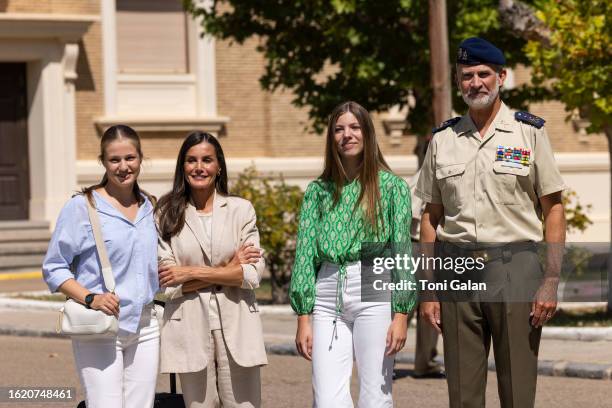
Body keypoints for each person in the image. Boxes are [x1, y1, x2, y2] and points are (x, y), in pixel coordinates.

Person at [417, 37, 566, 408]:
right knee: (462, 395)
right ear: (458, 80)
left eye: (484, 74)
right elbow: (430, 218)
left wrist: (550, 280)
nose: (476, 83)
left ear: (501, 76)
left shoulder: (527, 131)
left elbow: (554, 208)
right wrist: (428, 288)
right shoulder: (443, 139)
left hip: (515, 266)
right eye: (467, 76)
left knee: (517, 390)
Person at [290, 101, 417, 407]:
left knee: (375, 394)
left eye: (355, 127)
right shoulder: (318, 191)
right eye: (339, 129)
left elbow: (401, 251)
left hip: (374, 282)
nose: (347, 135)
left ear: (368, 133)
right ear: (331, 137)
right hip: (326, 289)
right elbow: (305, 253)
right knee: (326, 398)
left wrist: (401, 314)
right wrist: (303, 318)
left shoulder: (392, 188)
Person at [42, 125, 160, 408]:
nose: (123, 167)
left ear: (141, 158)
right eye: (114, 160)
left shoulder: (150, 206)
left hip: (146, 326)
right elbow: (54, 267)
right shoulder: (83, 207)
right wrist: (91, 298)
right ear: (103, 162)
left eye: (130, 158)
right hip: (101, 327)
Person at [156, 131, 267, 408]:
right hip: (189, 327)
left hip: (239, 325)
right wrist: (229, 269)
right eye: (191, 160)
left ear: (219, 167)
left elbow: (252, 276)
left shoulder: (242, 210)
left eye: (207, 160)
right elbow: (167, 286)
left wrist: (189, 272)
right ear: (183, 167)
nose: (199, 167)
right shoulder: (165, 213)